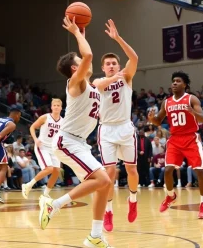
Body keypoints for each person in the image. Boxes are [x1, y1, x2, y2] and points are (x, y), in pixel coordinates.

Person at [38, 16, 112, 248]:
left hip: (79, 143)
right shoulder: (74, 83)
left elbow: (85, 55)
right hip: (66, 142)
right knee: (103, 178)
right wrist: (75, 33)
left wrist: (82, 31)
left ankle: (95, 237)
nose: (86, 62)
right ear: (74, 67)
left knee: (103, 184)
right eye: (80, 61)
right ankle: (54, 204)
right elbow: (88, 56)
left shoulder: (88, 84)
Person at [93, 19, 139, 231]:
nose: (111, 66)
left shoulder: (127, 77)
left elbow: (135, 57)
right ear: (103, 67)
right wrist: (114, 77)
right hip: (107, 130)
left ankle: (132, 200)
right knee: (109, 173)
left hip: (125, 127)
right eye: (108, 64)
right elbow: (99, 84)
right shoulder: (99, 81)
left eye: (114, 63)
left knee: (131, 168)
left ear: (119, 65)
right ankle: (109, 211)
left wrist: (117, 38)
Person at [148, 71, 203, 219]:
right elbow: (158, 120)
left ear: (185, 85)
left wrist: (193, 112)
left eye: (178, 81)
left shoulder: (191, 99)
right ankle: (170, 196)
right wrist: (151, 119)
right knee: (168, 170)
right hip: (174, 139)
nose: (174, 83)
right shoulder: (166, 102)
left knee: (199, 171)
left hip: (190, 139)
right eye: (173, 81)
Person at [22, 98, 63, 199]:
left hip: (54, 148)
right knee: (49, 168)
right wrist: (35, 139)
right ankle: (28, 185)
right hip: (42, 146)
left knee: (57, 171)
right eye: (54, 105)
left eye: (58, 105)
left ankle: (45, 194)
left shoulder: (63, 121)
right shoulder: (45, 117)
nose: (56, 107)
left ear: (61, 108)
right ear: (51, 107)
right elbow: (32, 127)